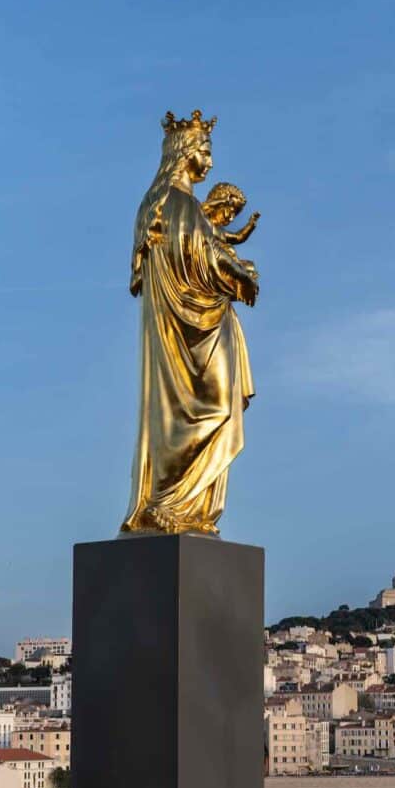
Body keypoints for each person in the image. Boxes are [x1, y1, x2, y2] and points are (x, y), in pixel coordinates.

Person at [120, 111, 258, 536]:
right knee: (213, 406)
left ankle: (187, 509)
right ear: (185, 152)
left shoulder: (165, 204)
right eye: (205, 151)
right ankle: (168, 503)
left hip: (196, 325)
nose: (210, 162)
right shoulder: (177, 205)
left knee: (203, 408)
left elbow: (203, 252)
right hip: (191, 328)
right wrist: (242, 276)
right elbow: (205, 260)